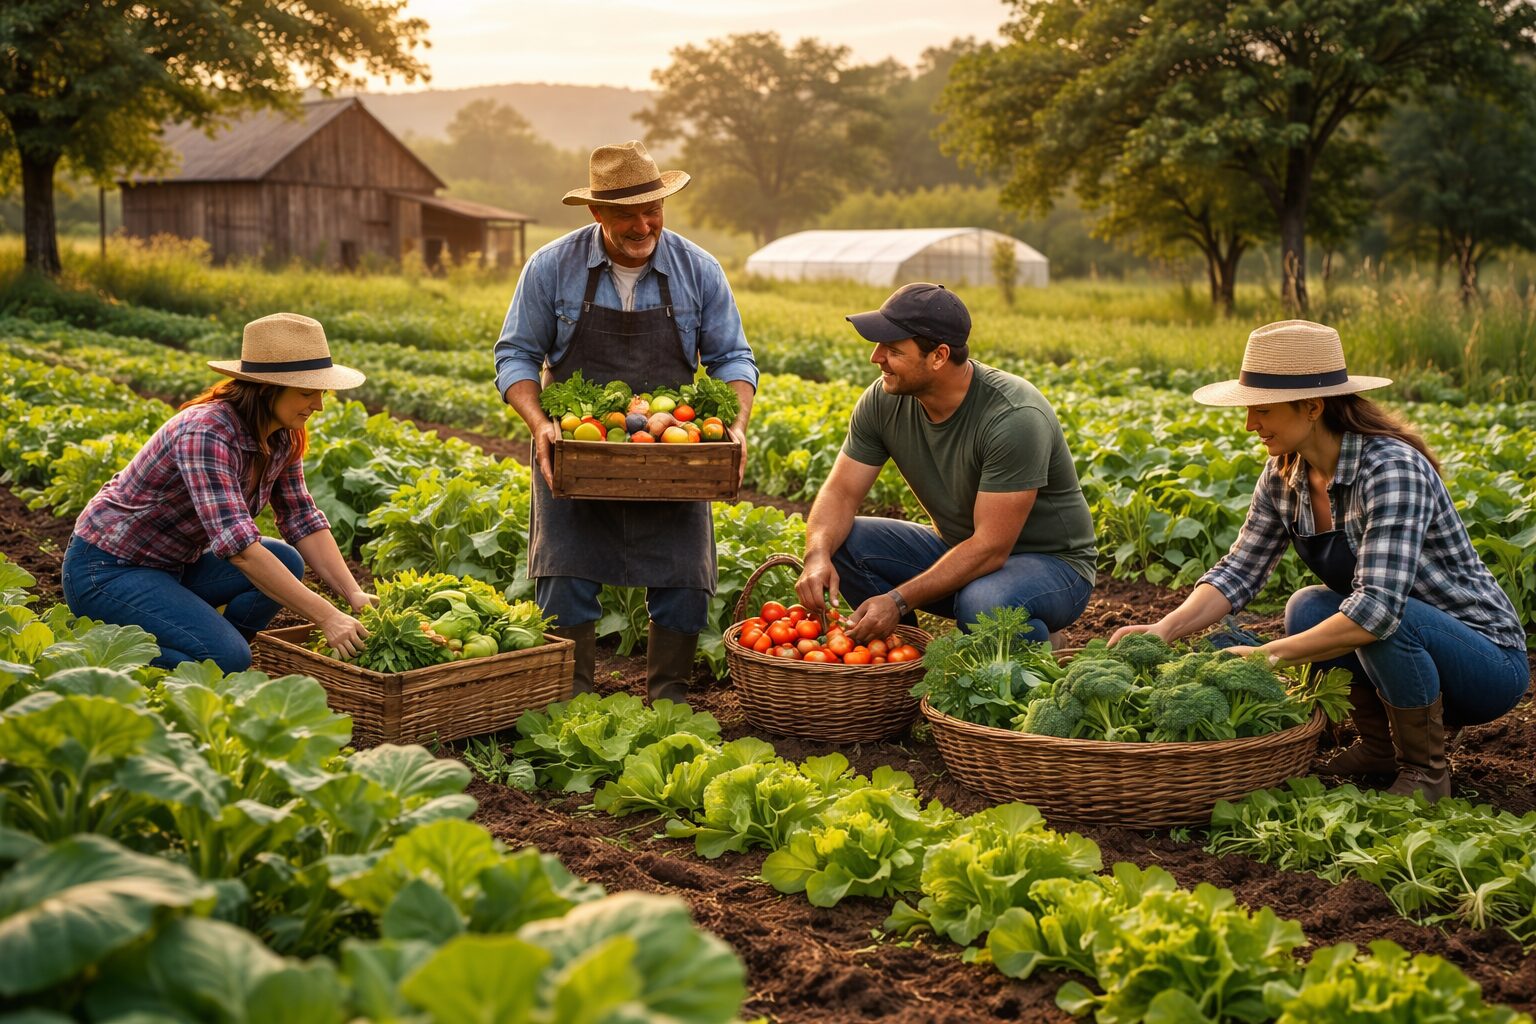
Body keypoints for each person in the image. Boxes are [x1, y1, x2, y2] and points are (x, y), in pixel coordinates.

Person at [1111, 319, 1529, 801]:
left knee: (1384, 621)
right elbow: (1239, 569)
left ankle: (1426, 772)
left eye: (1263, 409)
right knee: (1308, 606)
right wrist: (1164, 629)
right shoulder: (1283, 475)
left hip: (1485, 663)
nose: (1250, 425)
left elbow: (1377, 610)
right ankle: (1379, 749)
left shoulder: (1390, 469)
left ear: (1312, 407)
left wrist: (1266, 655)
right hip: (1401, 643)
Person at [495, 140, 758, 702]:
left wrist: (734, 425)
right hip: (576, 453)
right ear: (596, 212)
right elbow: (515, 355)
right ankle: (570, 706)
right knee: (564, 577)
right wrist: (540, 424)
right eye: (626, 215)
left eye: (652, 210)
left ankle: (669, 704)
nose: (643, 226)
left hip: (673, 456)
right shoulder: (551, 267)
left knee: (685, 581)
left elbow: (733, 358)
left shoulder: (698, 269)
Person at [61, 312, 375, 672]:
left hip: (174, 566)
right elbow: (241, 552)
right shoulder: (206, 432)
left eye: (321, 392)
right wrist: (327, 617)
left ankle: (210, 646)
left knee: (287, 560)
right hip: (108, 570)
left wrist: (353, 594)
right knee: (229, 658)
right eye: (307, 392)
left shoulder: (283, 436)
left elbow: (300, 517)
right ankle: (100, 648)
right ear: (266, 390)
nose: (318, 404)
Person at [794, 282, 1097, 648]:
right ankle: (899, 655)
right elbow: (841, 492)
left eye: (892, 349)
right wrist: (817, 555)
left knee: (984, 604)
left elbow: (991, 547)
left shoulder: (1014, 417)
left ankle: (1039, 644)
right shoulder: (883, 400)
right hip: (960, 549)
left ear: (938, 356)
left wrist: (898, 599)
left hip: (1054, 568)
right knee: (842, 542)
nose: (876, 357)